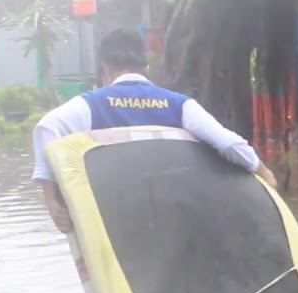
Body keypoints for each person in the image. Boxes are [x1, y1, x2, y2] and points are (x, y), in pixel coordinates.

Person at [31, 29, 278, 231]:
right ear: (146, 67)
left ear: (105, 69)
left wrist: (52, 201)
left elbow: (47, 128)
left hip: (119, 217)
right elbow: (228, 144)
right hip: (173, 214)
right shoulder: (179, 105)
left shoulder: (90, 105)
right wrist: (264, 172)